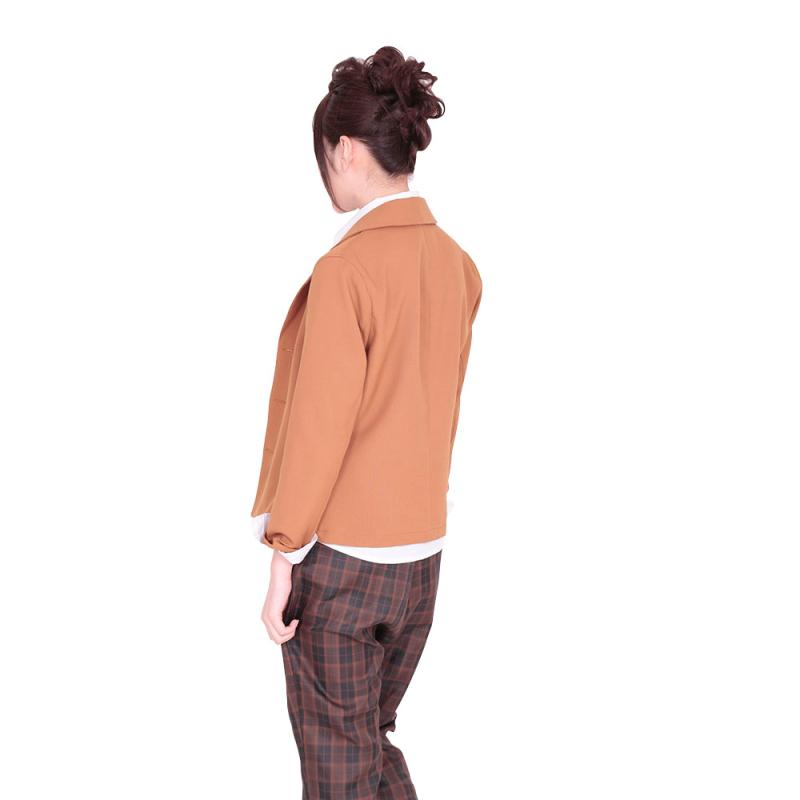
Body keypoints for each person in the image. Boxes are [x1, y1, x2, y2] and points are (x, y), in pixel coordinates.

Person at [250, 45, 482, 799]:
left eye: (324, 154)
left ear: (346, 150)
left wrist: (283, 556)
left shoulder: (346, 272)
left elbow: (319, 427)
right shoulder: (457, 265)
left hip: (344, 565)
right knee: (366, 745)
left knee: (338, 764)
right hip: (421, 562)